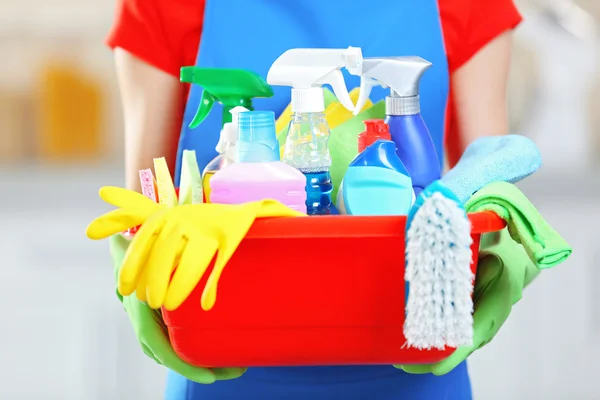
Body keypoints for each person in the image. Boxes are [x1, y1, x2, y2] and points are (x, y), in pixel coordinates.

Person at [106, 0, 522, 399]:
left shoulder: (472, 3)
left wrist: (505, 253)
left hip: (415, 363)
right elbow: (146, 194)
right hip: (221, 366)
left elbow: (488, 170)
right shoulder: (160, 4)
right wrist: (133, 255)